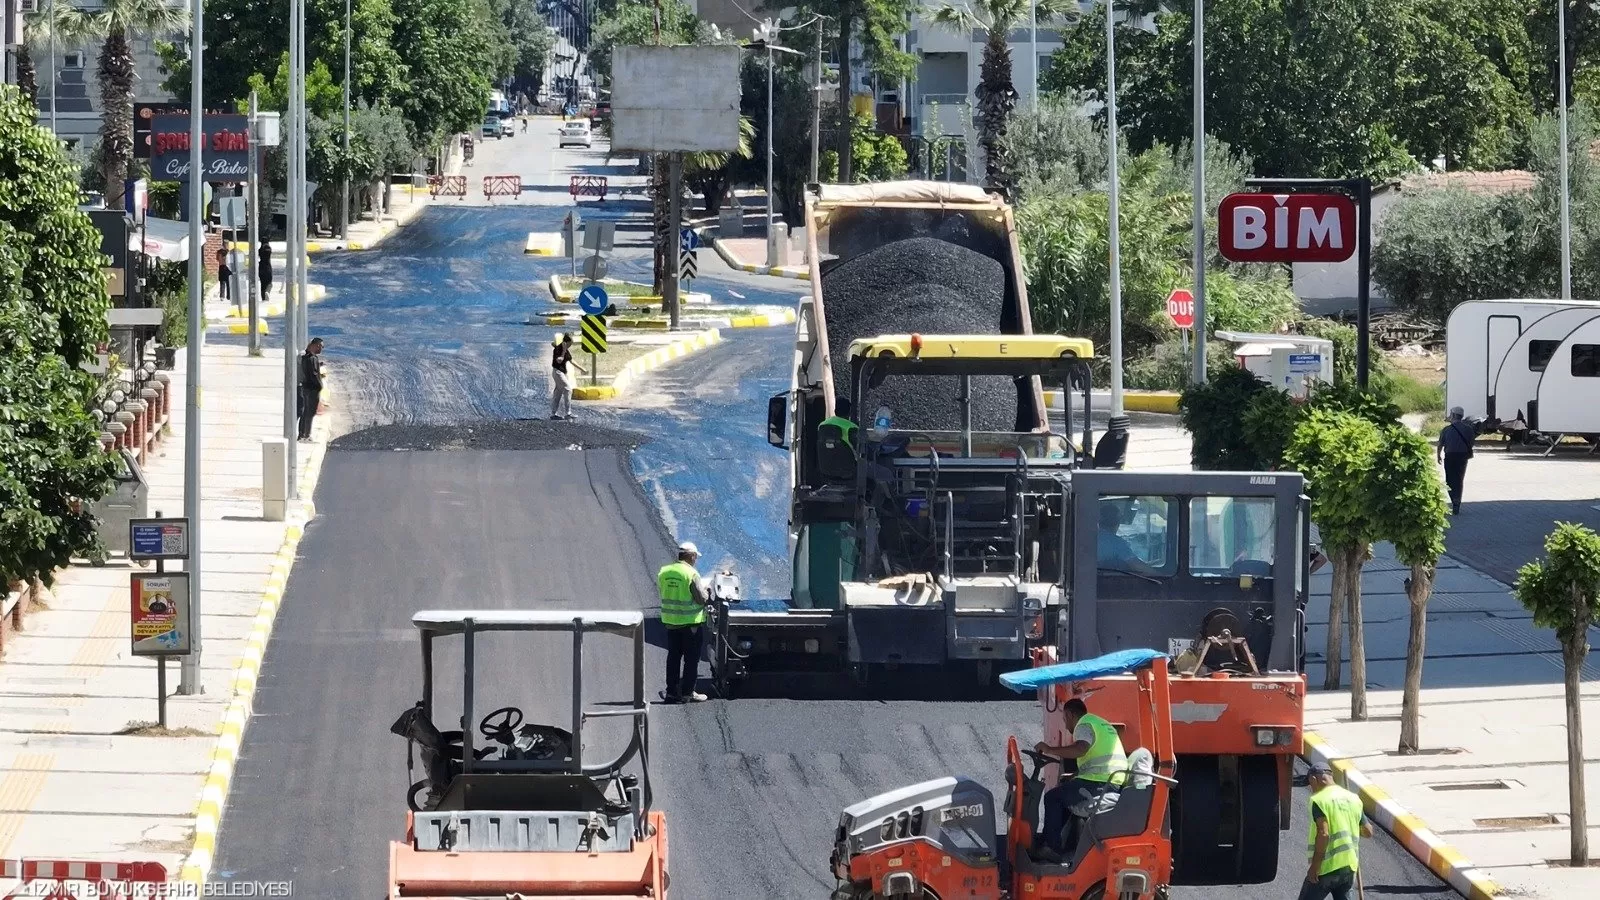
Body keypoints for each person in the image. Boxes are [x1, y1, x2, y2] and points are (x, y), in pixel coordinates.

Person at [1033, 697, 1128, 858]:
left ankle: (1051, 848)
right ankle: (1057, 841)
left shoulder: (1083, 724)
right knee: (1063, 793)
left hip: (1099, 783)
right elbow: (1098, 758)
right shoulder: (1100, 724)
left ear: (1070, 714)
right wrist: (1074, 775)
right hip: (1111, 781)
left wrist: (1049, 749)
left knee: (1052, 797)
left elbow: (1081, 749)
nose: (1065, 725)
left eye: (1064, 720)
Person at [1301, 765, 1372, 900]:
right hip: (1349, 868)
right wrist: (1349, 823)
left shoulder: (1319, 800)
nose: (1311, 788)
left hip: (1326, 869)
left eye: (1310, 784)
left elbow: (1323, 834)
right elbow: (1368, 831)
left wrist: (1315, 867)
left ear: (1314, 779)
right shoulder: (1353, 799)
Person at [658, 542, 711, 703]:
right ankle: (688, 692)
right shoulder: (691, 574)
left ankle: (671, 692)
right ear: (692, 556)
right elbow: (701, 599)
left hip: (671, 623)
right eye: (695, 557)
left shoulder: (664, 572)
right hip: (690, 625)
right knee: (691, 660)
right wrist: (707, 591)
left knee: (673, 658)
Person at [1436, 407, 1478, 515]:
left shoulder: (1446, 430)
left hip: (1450, 456)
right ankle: (1457, 501)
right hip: (1462, 457)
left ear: (1453, 415)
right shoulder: (1468, 429)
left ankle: (1454, 499)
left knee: (1449, 479)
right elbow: (1471, 442)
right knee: (1459, 479)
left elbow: (1440, 444)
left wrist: (1438, 456)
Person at [1097, 501, 1154, 573]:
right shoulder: (1117, 543)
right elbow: (1137, 566)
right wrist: (1160, 577)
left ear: (1099, 521)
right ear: (1118, 522)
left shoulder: (1091, 538)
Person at [549, 333, 586, 420]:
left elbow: (571, 360)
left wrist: (582, 369)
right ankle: (568, 413)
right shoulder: (558, 349)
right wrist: (563, 351)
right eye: (570, 343)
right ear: (566, 342)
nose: (570, 345)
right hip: (557, 372)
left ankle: (553, 414)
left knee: (558, 393)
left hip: (562, 373)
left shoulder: (566, 350)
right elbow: (559, 360)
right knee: (568, 389)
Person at [297, 338, 325, 441]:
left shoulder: (307, 357)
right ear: (316, 345)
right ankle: (305, 435)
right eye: (321, 346)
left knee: (307, 412)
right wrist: (319, 385)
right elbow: (313, 374)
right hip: (312, 388)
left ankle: (303, 434)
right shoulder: (312, 358)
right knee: (309, 412)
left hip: (307, 387)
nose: (321, 348)